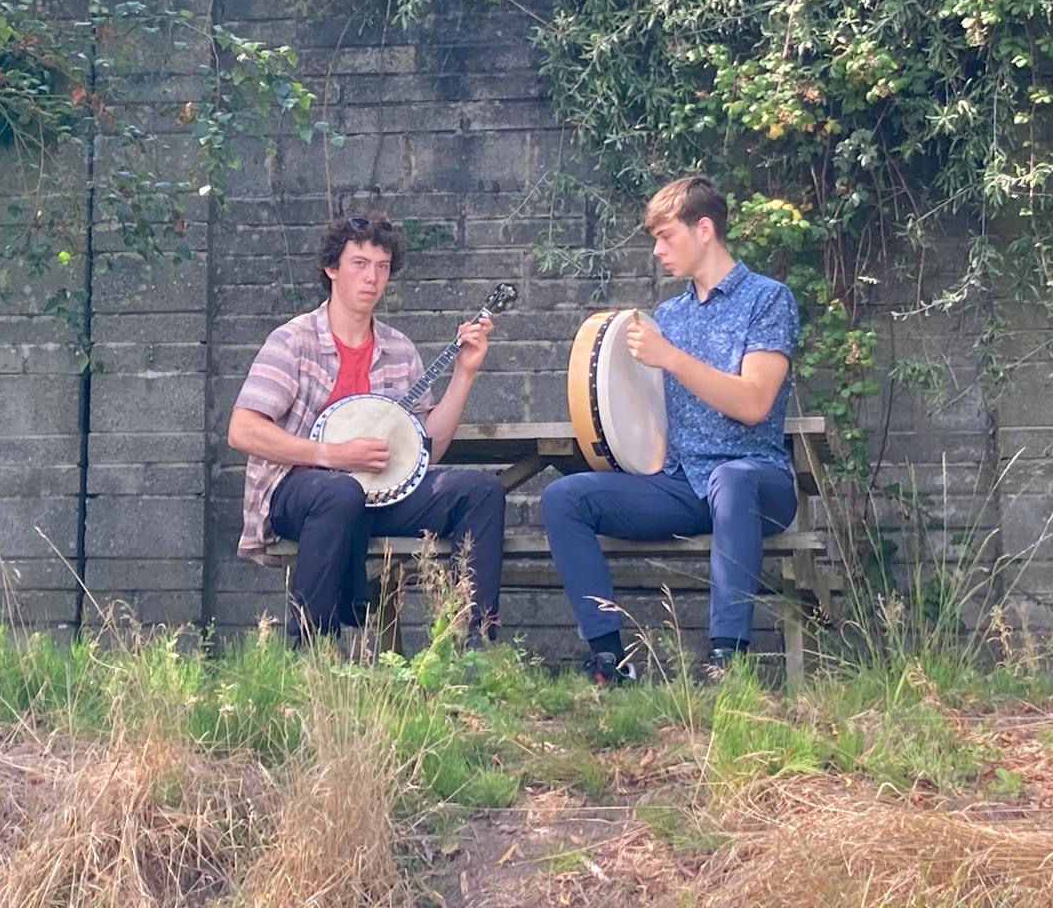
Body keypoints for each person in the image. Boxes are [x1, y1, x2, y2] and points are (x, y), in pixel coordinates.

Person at [541, 176, 800, 683]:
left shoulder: (768, 300)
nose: (657, 250)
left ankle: (726, 659)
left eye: (667, 236)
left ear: (704, 229)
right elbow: (647, 414)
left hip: (757, 483)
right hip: (684, 485)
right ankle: (609, 661)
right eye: (654, 239)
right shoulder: (668, 315)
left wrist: (672, 359)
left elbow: (753, 403)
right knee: (563, 498)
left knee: (733, 478)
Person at [229, 214, 507, 645]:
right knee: (340, 492)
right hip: (299, 492)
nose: (372, 277)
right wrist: (332, 456)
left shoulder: (399, 349)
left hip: (381, 494)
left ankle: (476, 643)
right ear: (332, 269)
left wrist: (464, 375)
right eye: (359, 263)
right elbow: (242, 430)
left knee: (480, 490)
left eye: (382, 266)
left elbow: (426, 451)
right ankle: (310, 646)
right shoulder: (293, 341)